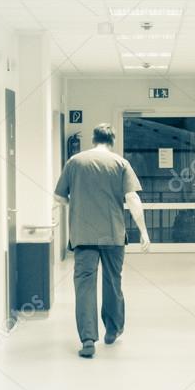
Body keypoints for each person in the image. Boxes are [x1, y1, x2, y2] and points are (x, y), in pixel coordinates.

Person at [54, 123, 150, 358]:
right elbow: (133, 199)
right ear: (112, 140)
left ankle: (88, 340)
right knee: (112, 281)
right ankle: (112, 330)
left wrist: (76, 205)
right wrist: (144, 232)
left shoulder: (75, 162)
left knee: (84, 285)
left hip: (83, 236)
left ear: (93, 139)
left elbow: (58, 196)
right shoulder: (120, 163)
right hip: (113, 234)